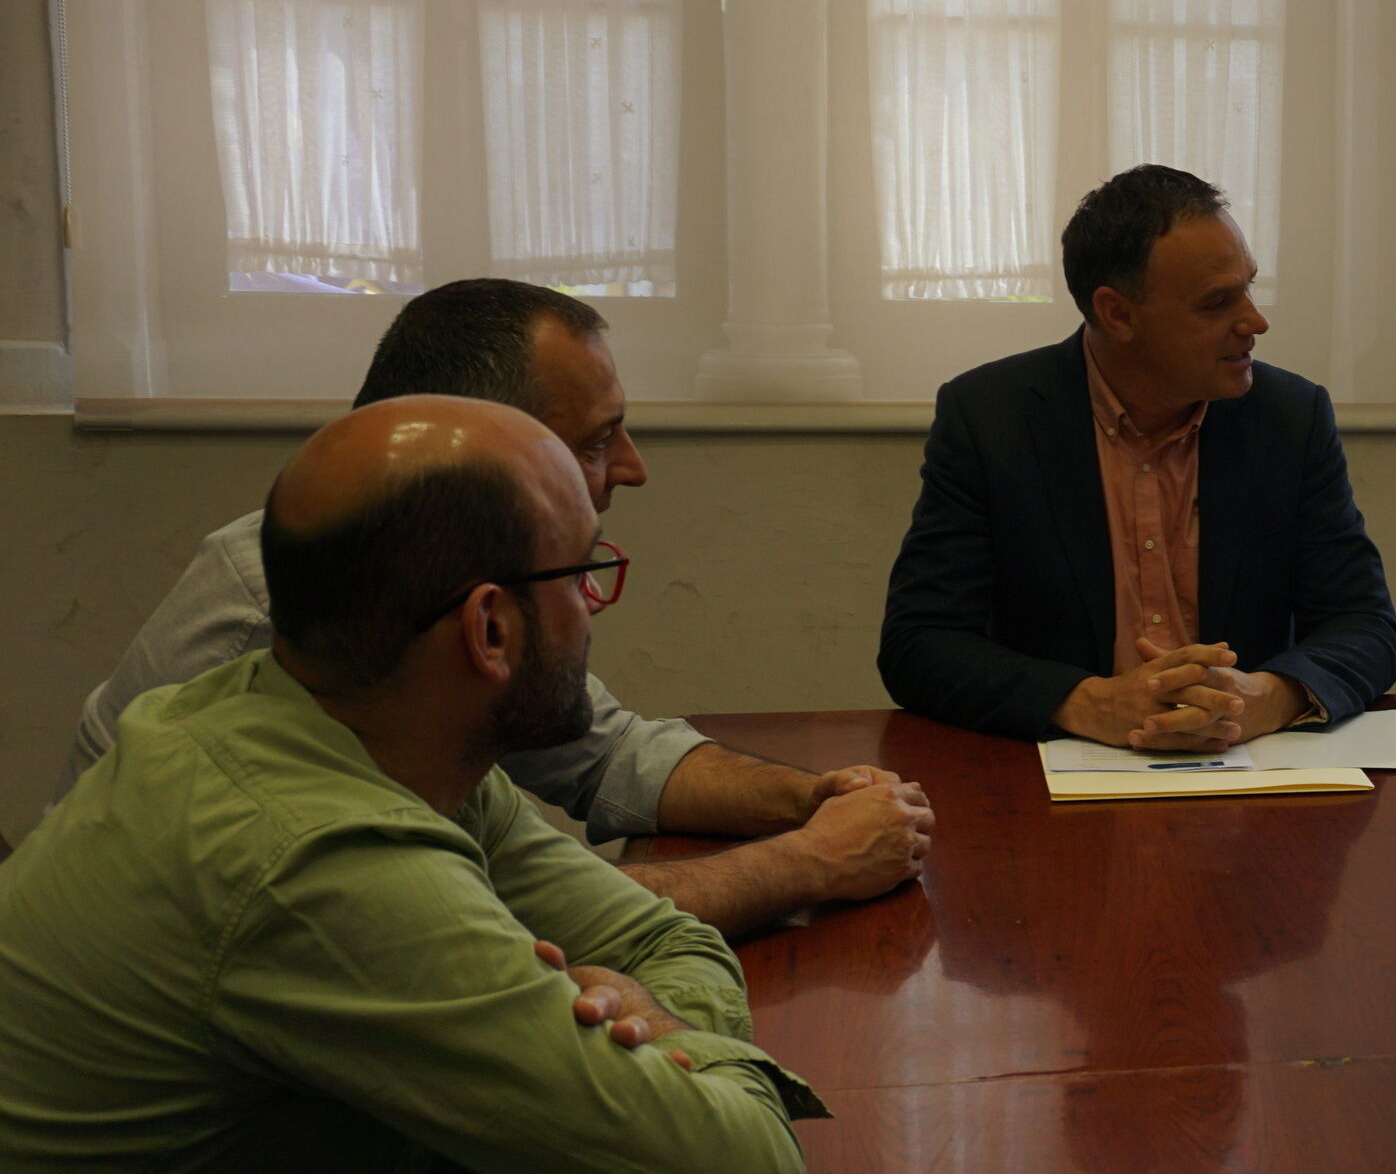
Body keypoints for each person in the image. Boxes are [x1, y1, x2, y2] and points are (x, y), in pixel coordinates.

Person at [0, 398, 824, 1174]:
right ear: (489, 629)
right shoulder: (318, 857)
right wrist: (681, 1047)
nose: (592, 603)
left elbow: (653, 936)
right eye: (585, 571)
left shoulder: (334, 726)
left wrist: (654, 1022)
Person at [55, 279, 932, 934]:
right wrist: (808, 863)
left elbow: (600, 756)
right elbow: (463, 930)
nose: (631, 468)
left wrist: (812, 799)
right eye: (594, 441)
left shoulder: (442, 594)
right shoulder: (294, 616)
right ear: (490, 449)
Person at [880, 164, 1396, 749]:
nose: (1255, 321)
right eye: (1217, 303)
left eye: (1249, 288)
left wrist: (1267, 697)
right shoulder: (992, 418)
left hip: (1250, 768)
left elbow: (1366, 625)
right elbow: (919, 642)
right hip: (1062, 778)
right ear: (1118, 314)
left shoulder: (1289, 416)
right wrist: (1083, 702)